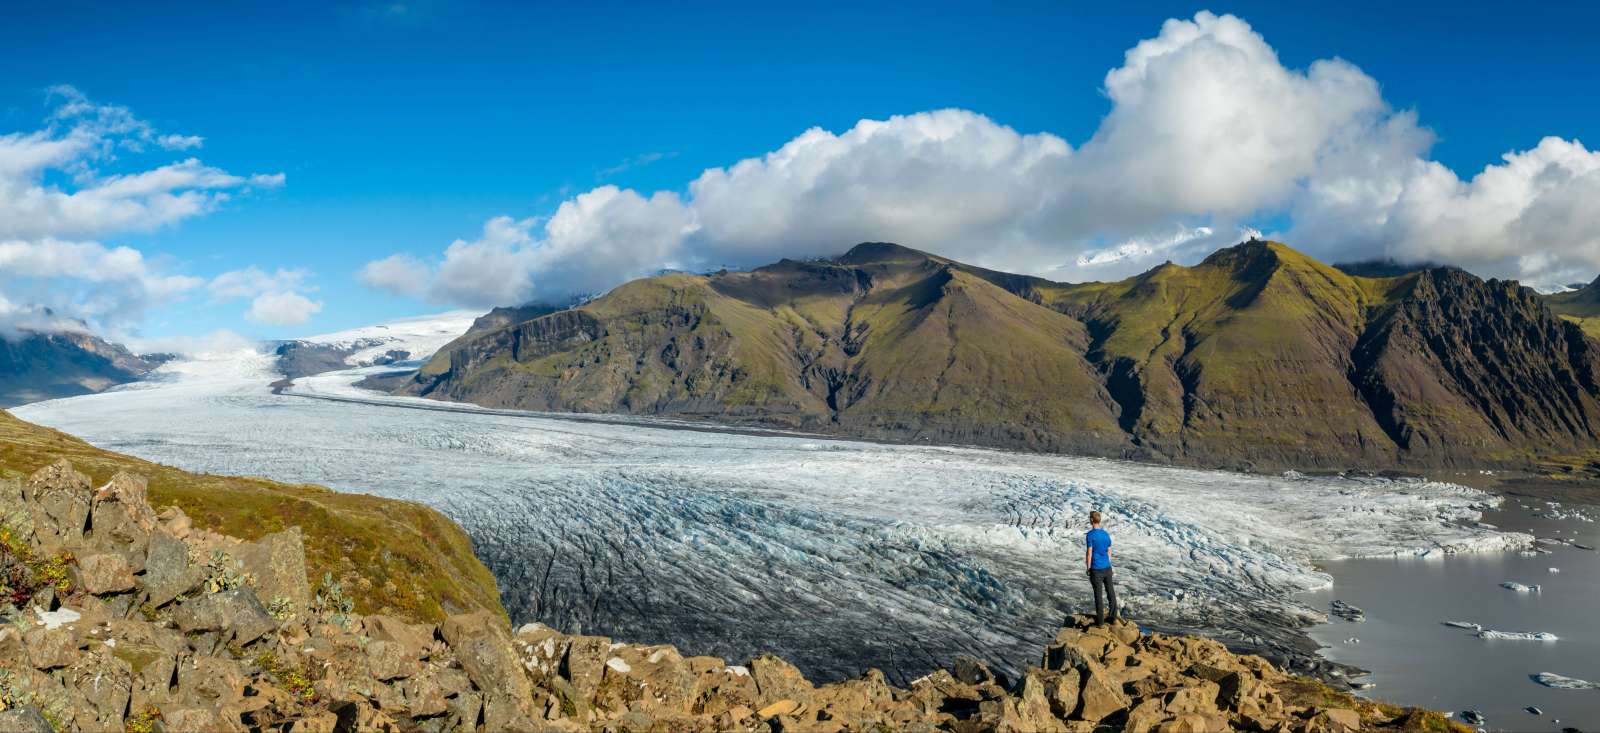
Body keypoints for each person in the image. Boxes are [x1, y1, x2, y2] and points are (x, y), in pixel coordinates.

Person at [1085, 510, 1118, 624]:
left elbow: (1089, 552)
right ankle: (1113, 618)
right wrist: (1108, 563)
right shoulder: (1105, 534)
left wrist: (1088, 568)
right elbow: (1109, 550)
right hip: (1107, 568)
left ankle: (1100, 622)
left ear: (1091, 520)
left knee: (1098, 595)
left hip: (1096, 569)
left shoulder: (1090, 535)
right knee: (1111, 593)